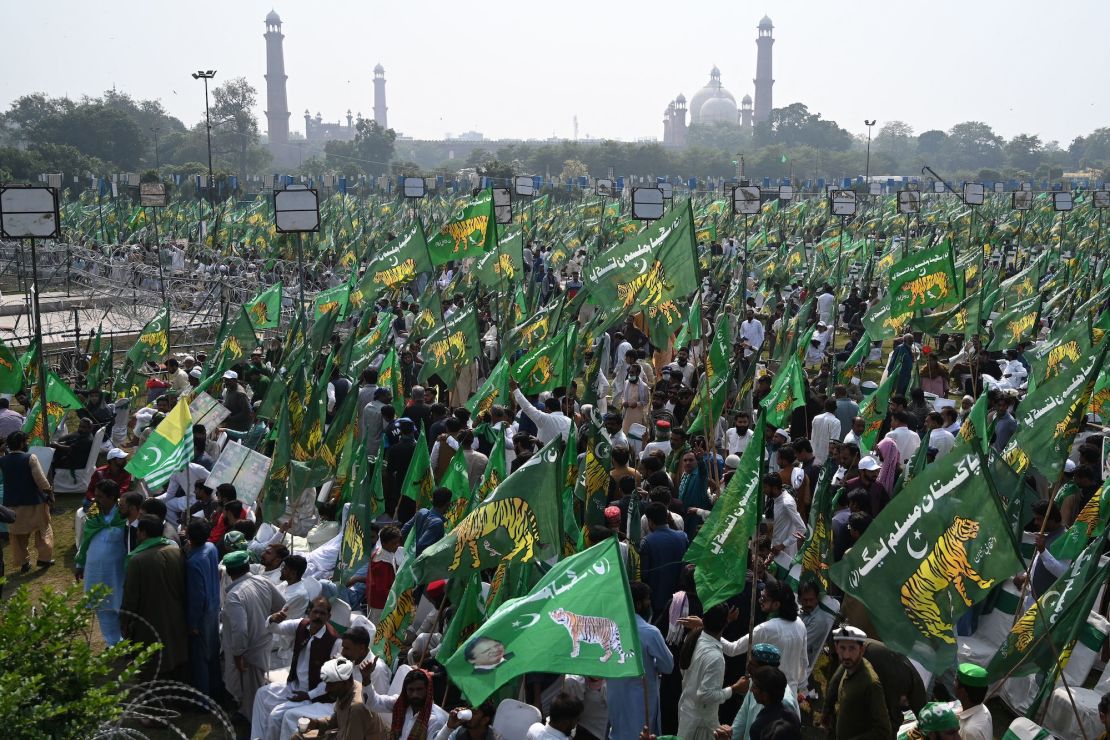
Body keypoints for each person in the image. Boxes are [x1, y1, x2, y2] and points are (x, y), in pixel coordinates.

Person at [681, 580, 808, 695]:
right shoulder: (800, 624)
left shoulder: (765, 629)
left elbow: (732, 649)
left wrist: (705, 626)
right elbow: (804, 662)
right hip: (791, 692)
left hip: (768, 693)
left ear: (776, 605)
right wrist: (801, 687)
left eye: (764, 598)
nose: (760, 600)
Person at [252, 596, 343, 740]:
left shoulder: (334, 641)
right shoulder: (301, 625)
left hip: (314, 695)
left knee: (276, 716)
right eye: (315, 612)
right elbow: (275, 628)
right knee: (261, 694)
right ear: (309, 612)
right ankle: (257, 737)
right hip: (294, 685)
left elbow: (330, 681)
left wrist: (308, 695)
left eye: (322, 613)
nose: (318, 616)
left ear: (329, 617)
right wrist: (272, 619)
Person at [120, 514, 188, 679]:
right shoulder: (176, 551)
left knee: (153, 666)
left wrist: (125, 623)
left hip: (149, 621)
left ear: (143, 533)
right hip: (176, 617)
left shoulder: (137, 560)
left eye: (138, 532)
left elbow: (130, 598)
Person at [221, 549, 287, 718]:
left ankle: (252, 726)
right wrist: (265, 619)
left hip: (246, 651)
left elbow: (240, 630)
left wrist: (238, 655)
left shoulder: (234, 596)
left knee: (251, 692)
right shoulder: (262, 581)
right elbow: (281, 604)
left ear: (228, 571)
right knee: (254, 688)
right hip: (263, 643)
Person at [607, 581, 674, 739]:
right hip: (641, 704)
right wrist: (654, 664)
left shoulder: (609, 628)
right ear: (638, 604)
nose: (649, 603)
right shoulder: (650, 633)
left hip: (615, 700)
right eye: (647, 600)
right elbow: (668, 666)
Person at [677, 604, 745, 740]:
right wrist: (734, 689)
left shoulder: (693, 637)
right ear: (726, 622)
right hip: (701, 726)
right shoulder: (715, 657)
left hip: (687, 713)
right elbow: (705, 695)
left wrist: (725, 620)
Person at [74, 478, 127, 645]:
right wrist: (80, 564)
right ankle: (112, 643)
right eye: (95, 496)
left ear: (112, 498)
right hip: (95, 570)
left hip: (117, 572)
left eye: (101, 497)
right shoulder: (93, 514)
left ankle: (127, 640)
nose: (96, 500)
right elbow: (85, 540)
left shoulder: (123, 515)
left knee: (121, 605)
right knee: (102, 606)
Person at [292, 656, 388, 740]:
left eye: (330, 685)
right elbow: (337, 720)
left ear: (345, 683)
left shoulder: (356, 707)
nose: (326, 689)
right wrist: (316, 723)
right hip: (342, 734)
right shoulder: (345, 690)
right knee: (297, 737)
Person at [820, 626, 891, 740]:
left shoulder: (871, 684)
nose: (847, 655)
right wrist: (826, 711)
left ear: (862, 650)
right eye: (842, 648)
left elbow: (883, 731)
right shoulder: (847, 664)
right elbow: (834, 683)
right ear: (837, 648)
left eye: (852, 648)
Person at [1, 431, 54, 570]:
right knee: (43, 530)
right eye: (26, 441)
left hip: (12, 504)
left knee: (17, 536)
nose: (28, 444)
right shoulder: (30, 458)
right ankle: (44, 559)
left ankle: (24, 562)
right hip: (34, 502)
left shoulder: (3, 461)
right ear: (21, 443)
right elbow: (40, 479)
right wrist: (49, 492)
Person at [727, 644, 801, 740]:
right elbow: (741, 719)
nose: (748, 668)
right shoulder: (755, 683)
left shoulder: (785, 702)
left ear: (766, 669)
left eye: (752, 665)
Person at [184, 519, 221, 695]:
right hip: (214, 608)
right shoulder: (212, 549)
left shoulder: (193, 563)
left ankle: (202, 698)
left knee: (200, 658)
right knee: (213, 652)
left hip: (202, 614)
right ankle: (215, 689)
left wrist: (193, 624)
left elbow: (197, 596)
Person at [366, 667, 449, 740]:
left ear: (428, 690)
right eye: (411, 690)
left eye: (419, 689)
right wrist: (366, 680)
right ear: (405, 691)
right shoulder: (400, 704)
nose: (415, 694)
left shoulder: (435, 720)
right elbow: (374, 702)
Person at [640, 502, 689, 619]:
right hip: (680, 599)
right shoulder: (683, 537)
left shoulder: (647, 542)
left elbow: (644, 574)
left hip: (657, 601)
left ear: (650, 521)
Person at [748, 666, 802, 740]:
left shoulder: (758, 727)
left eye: (754, 687)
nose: (751, 690)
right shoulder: (794, 717)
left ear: (765, 695)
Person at [763, 474, 806, 560]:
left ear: (774, 488)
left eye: (765, 487)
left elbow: (802, 528)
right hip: (776, 550)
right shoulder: (776, 499)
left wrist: (783, 545)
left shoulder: (787, 503)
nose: (764, 491)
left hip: (786, 554)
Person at [401, 486, 452, 556]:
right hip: (420, 564)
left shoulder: (422, 511)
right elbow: (421, 547)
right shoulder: (437, 523)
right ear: (448, 504)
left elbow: (404, 531)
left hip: (407, 557)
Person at [797, 581, 834, 677]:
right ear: (800, 599)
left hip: (800, 665)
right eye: (805, 600)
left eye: (811, 600)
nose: (808, 603)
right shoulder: (803, 614)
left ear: (817, 599)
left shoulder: (818, 621)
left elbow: (800, 645)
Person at [955, 663, 992, 740]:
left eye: (956, 681)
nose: (953, 683)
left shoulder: (970, 731)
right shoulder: (984, 709)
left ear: (962, 692)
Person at [435, 699, 501, 740]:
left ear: (485, 720)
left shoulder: (494, 738)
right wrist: (448, 727)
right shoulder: (459, 733)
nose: (469, 714)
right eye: (468, 709)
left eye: (474, 713)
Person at [810, 398, 841, 466]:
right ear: (835, 408)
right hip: (825, 460)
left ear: (825, 407)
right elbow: (833, 443)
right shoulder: (836, 422)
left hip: (813, 456)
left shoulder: (816, 418)